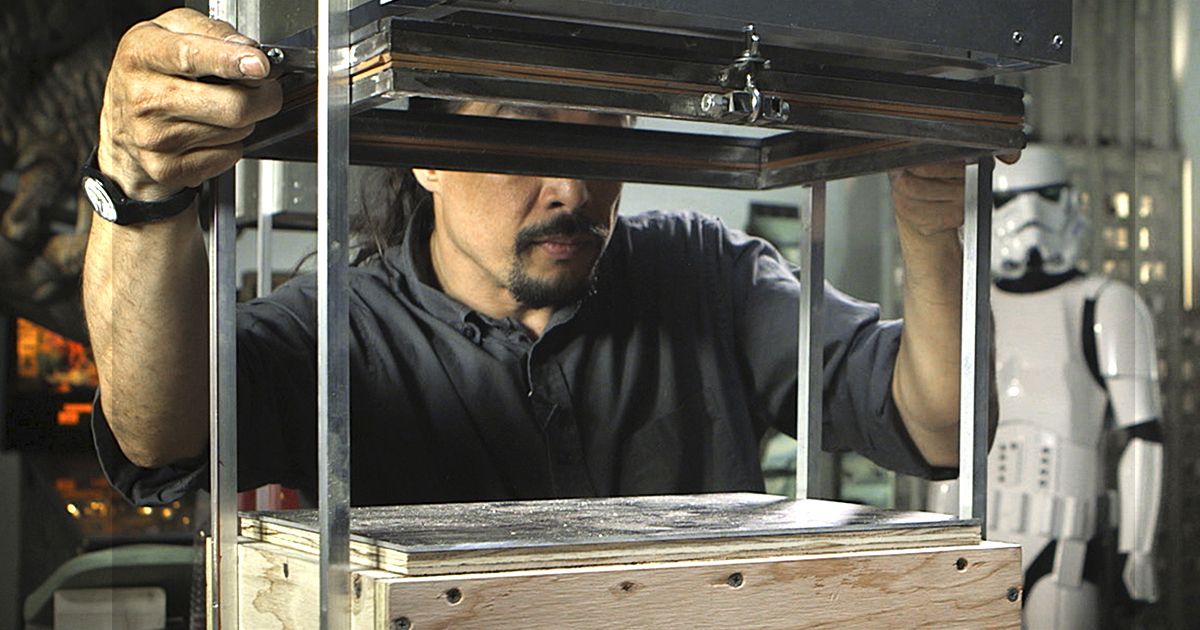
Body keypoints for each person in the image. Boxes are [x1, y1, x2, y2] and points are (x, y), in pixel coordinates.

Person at [83, 8, 992, 506]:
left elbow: (938, 428)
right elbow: (158, 436)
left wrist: (928, 227)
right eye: (521, 131)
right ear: (427, 156)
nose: (571, 185)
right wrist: (138, 187)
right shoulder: (337, 328)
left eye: (604, 134)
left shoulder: (707, 275)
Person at [927, 146, 1163, 629]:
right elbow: (948, 436)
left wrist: (1136, 551)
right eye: (1009, 200)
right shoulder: (973, 304)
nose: (1030, 214)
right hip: (978, 537)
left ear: (1070, 202)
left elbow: (1144, 437)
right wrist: (938, 539)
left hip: (1064, 543)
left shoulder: (1105, 305)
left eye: (1046, 196)